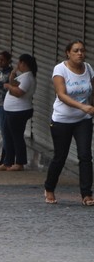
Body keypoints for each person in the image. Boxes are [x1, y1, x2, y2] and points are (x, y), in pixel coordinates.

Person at [44, 41, 94, 205]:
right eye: (76, 51)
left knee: (85, 156)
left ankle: (87, 194)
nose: (80, 53)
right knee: (60, 157)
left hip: (83, 120)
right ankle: (49, 188)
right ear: (68, 53)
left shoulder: (88, 68)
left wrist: (89, 108)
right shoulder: (60, 69)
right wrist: (82, 106)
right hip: (62, 120)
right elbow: (61, 94)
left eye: (82, 50)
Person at [0, 53, 36, 172]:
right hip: (11, 111)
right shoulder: (23, 76)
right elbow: (14, 84)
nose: (17, 65)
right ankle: (8, 162)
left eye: (19, 63)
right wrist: (13, 74)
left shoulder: (28, 77)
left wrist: (8, 87)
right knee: (8, 136)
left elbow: (19, 92)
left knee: (17, 137)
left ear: (23, 63)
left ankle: (20, 162)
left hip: (19, 112)